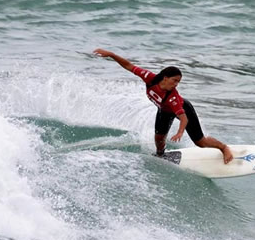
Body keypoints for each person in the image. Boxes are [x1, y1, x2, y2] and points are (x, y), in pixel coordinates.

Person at [93, 48, 234, 164]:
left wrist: (179, 132)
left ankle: (224, 147)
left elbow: (184, 118)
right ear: (165, 78)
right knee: (159, 140)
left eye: (178, 82)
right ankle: (161, 155)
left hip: (184, 109)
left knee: (200, 142)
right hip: (164, 111)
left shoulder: (173, 97)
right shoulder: (151, 78)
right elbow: (129, 66)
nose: (176, 84)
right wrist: (111, 54)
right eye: (175, 80)